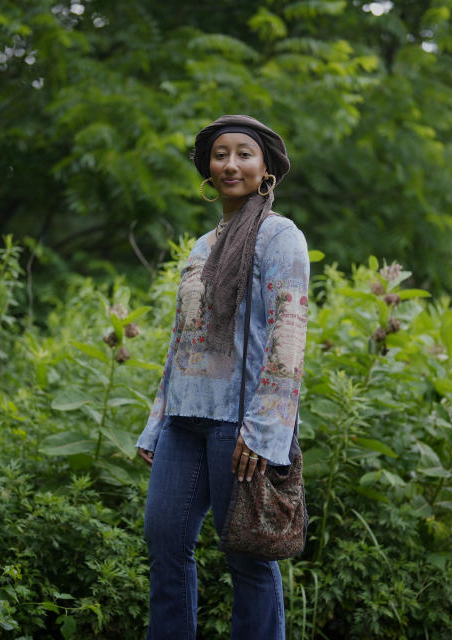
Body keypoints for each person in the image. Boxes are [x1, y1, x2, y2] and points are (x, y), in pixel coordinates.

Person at [136, 114, 310, 639]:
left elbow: (289, 337)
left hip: (240, 430)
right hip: (183, 423)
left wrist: (266, 429)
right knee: (165, 547)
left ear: (266, 169)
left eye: (243, 153)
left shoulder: (280, 237)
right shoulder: (201, 247)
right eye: (219, 155)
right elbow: (181, 341)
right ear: (207, 171)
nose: (230, 164)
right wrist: (155, 421)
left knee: (249, 559)